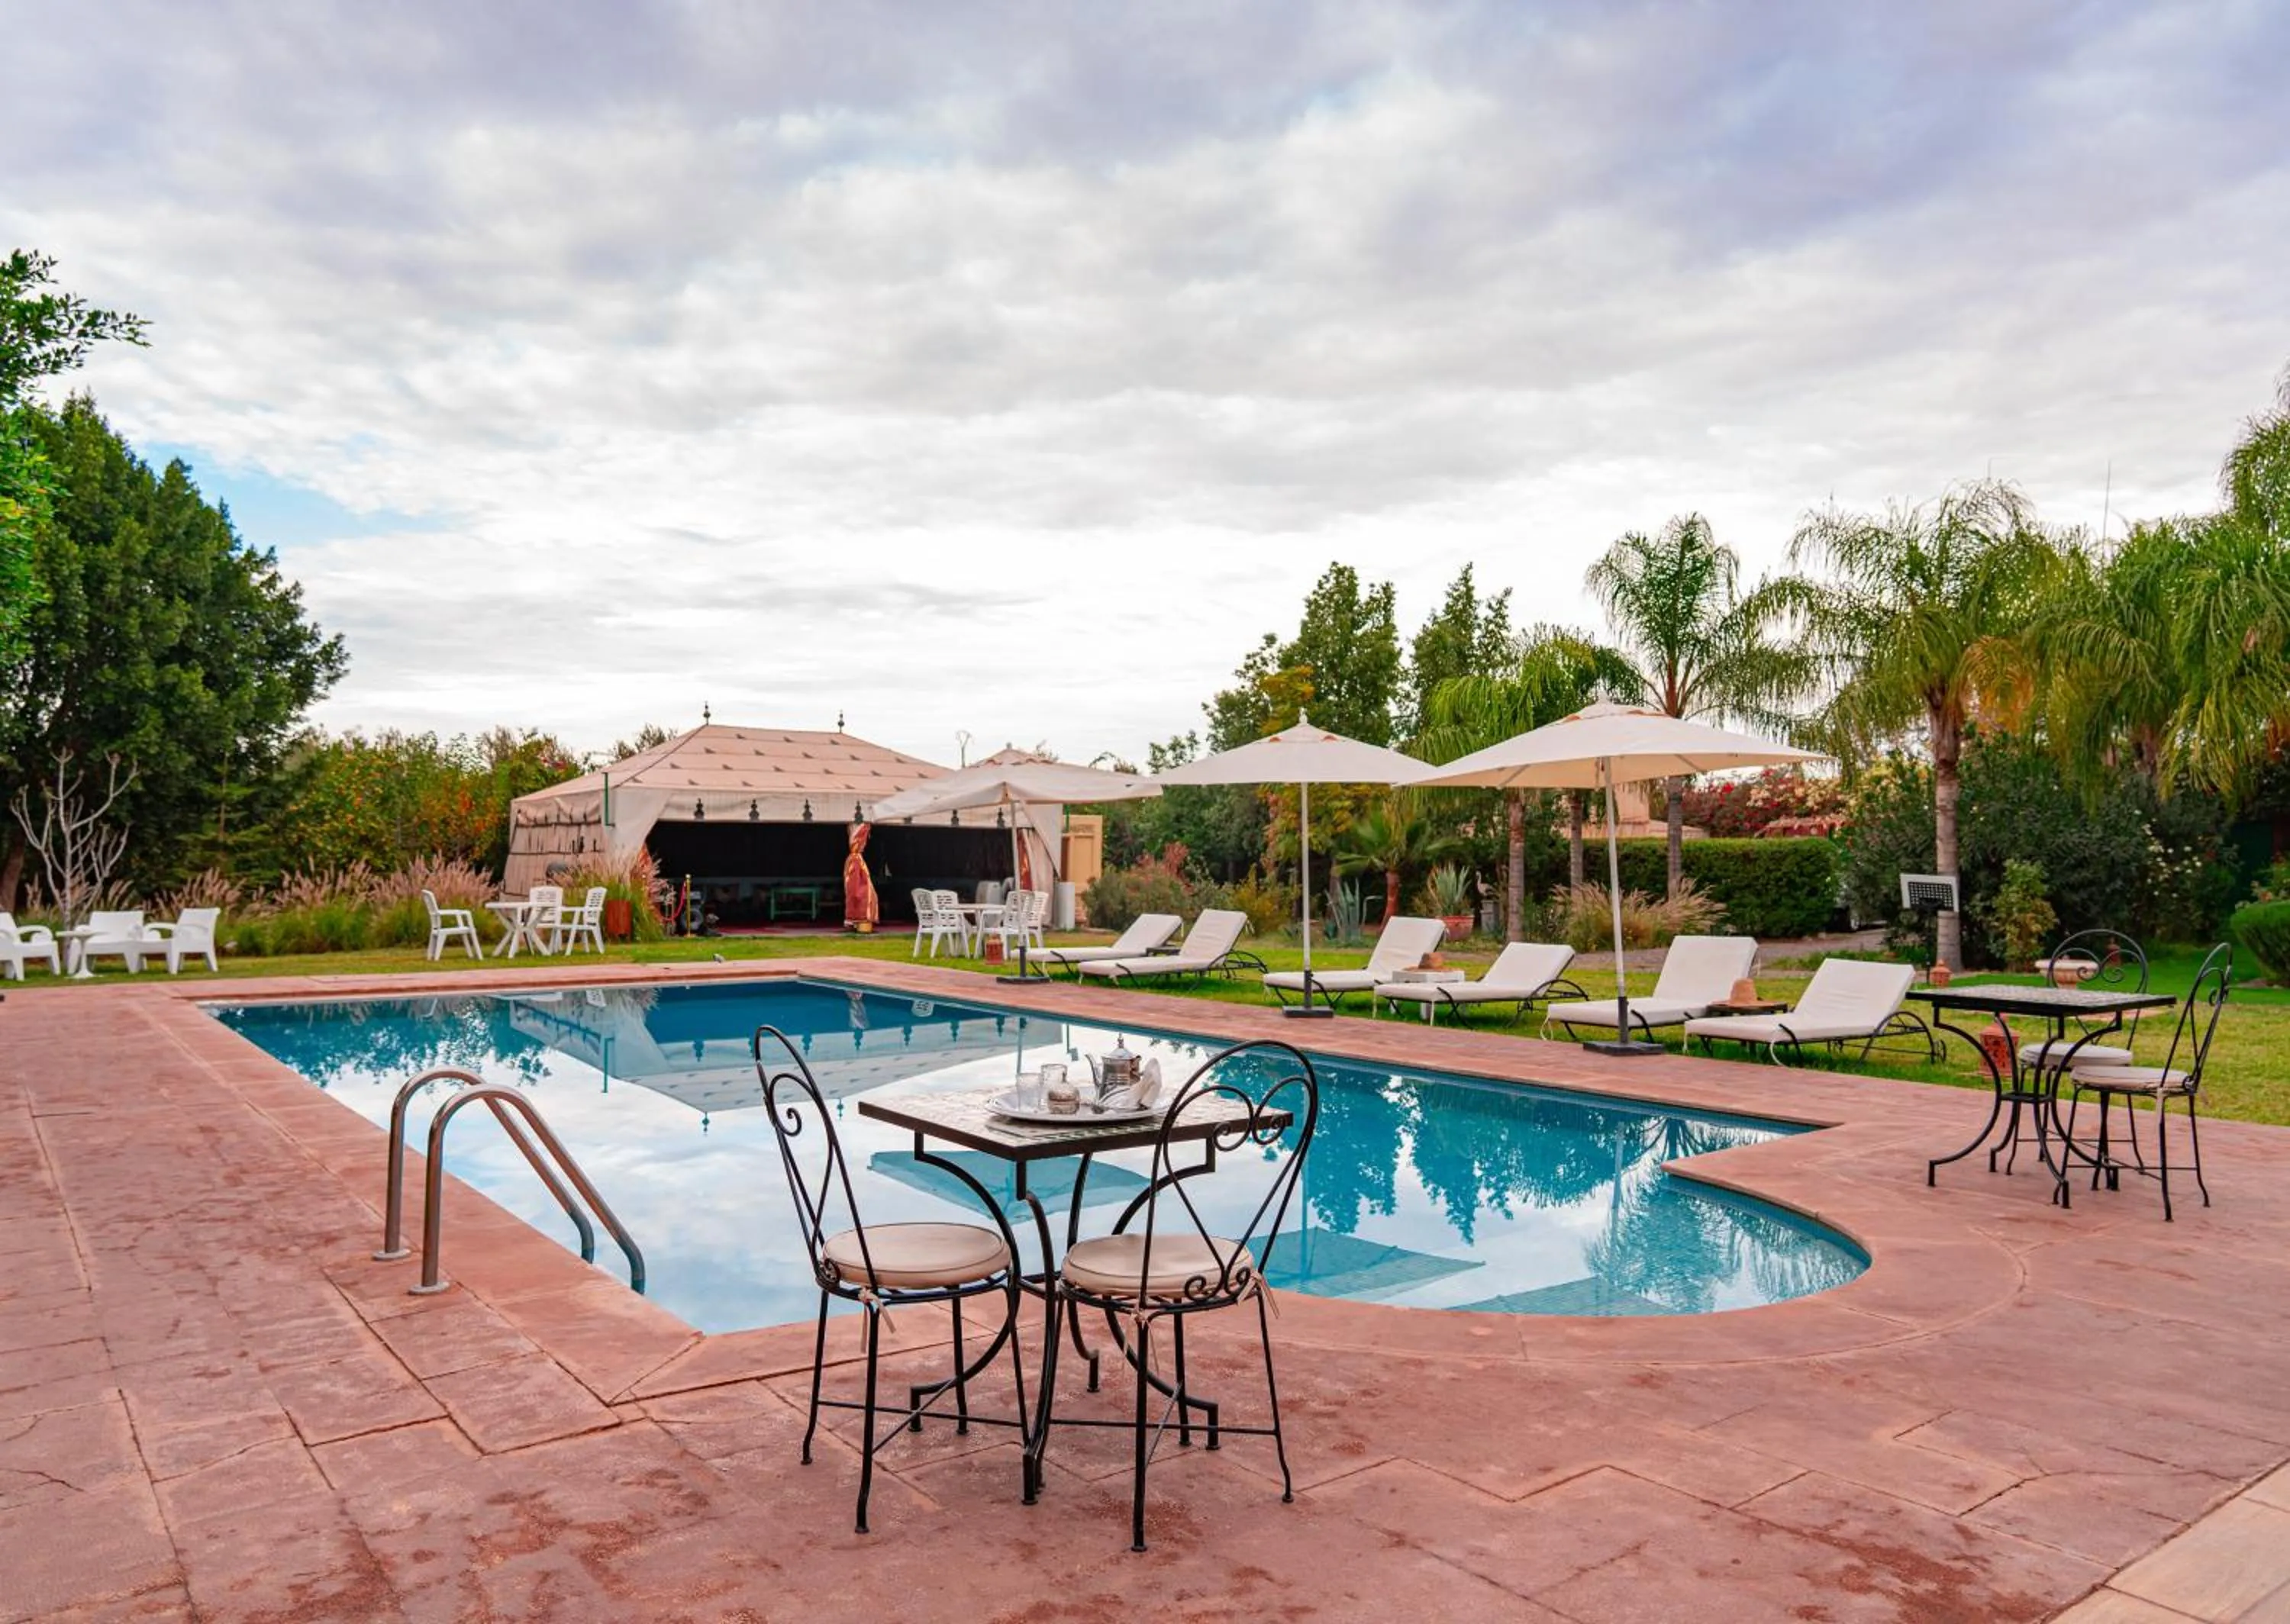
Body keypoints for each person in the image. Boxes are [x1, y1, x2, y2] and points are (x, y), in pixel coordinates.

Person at [843, 822, 879, 933]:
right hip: (859, 892)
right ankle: (857, 922)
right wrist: (857, 893)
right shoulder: (855, 859)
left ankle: (856, 923)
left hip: (858, 891)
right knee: (862, 905)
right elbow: (855, 879)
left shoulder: (855, 858)